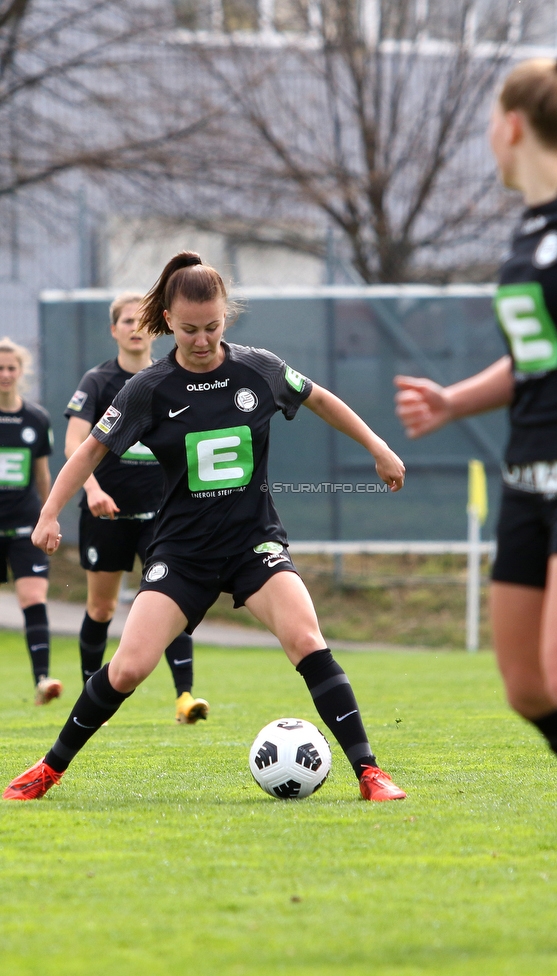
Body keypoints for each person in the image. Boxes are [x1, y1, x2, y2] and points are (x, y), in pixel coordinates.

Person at [395, 11, 557, 952]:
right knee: (526, 686)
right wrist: (454, 402)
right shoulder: (529, 231)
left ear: (510, 125)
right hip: (530, 471)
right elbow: (538, 359)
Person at [3, 251, 407, 804]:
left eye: (213, 327)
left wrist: (378, 448)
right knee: (127, 669)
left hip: (252, 543)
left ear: (227, 317)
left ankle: (369, 773)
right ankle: (48, 769)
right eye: (190, 329)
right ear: (168, 321)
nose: (202, 339)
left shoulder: (258, 369)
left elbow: (320, 399)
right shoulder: (149, 388)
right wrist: (50, 512)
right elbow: (90, 449)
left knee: (307, 639)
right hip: (182, 553)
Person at [64, 293, 208, 724]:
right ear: (114, 330)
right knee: (101, 609)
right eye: (125, 320)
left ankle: (186, 697)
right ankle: (94, 693)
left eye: (140, 320)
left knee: (174, 599)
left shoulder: (170, 377)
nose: (134, 327)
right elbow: (75, 445)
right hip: (107, 515)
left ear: (155, 327)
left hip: (163, 519)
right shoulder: (97, 381)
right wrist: (91, 490)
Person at [0, 337, 61, 705]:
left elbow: (42, 476)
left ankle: (43, 680)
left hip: (24, 525)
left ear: (22, 372)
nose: (5, 374)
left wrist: (48, 515)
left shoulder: (36, 418)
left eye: (11, 368)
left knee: (33, 596)